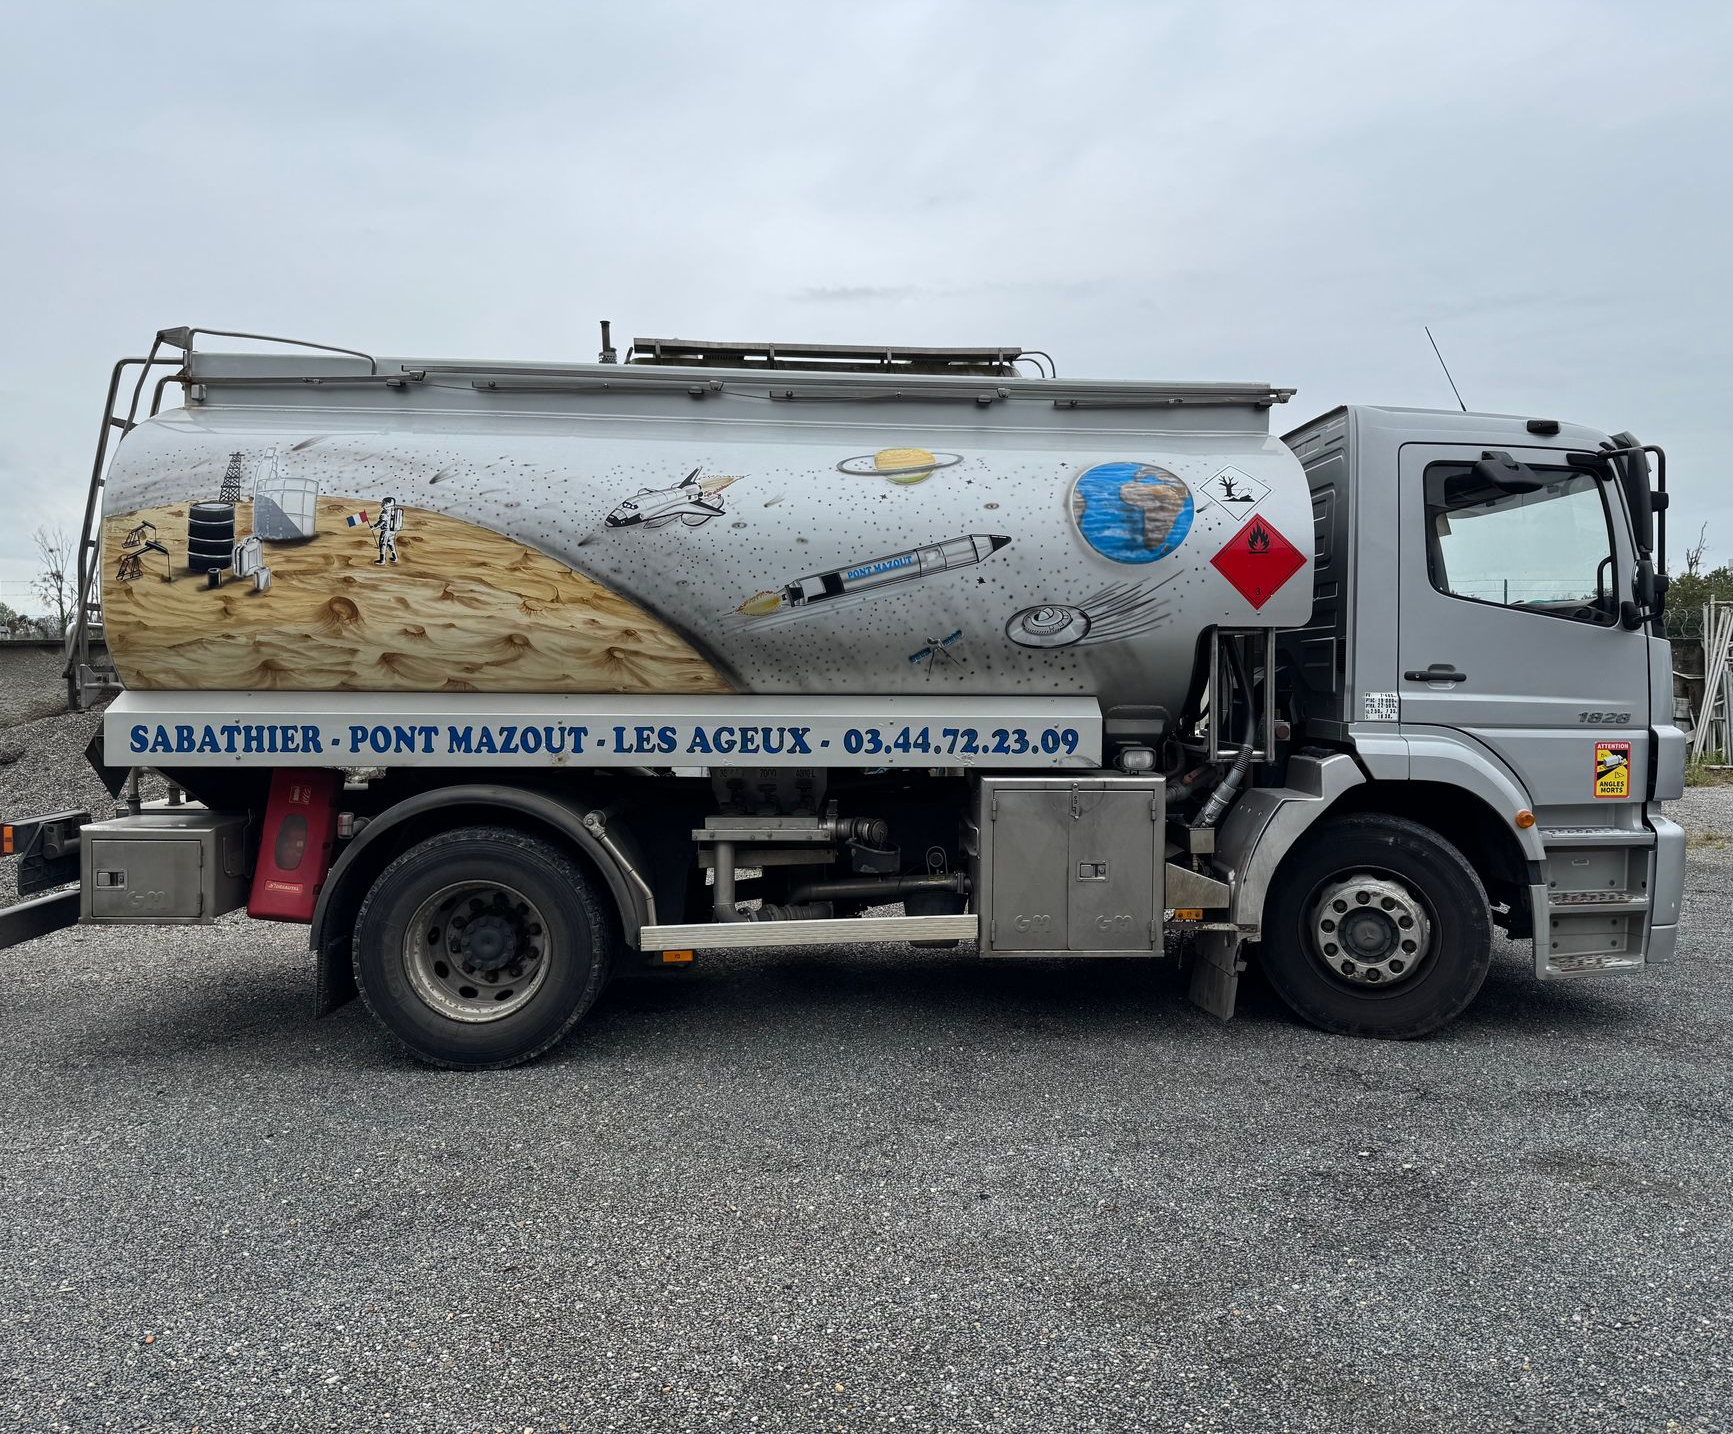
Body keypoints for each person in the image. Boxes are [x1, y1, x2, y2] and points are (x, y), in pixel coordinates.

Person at [371, 496, 403, 564]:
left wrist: (374, 527)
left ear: (386, 503)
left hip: (386, 531)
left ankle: (382, 560)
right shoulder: (393, 510)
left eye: (383, 502)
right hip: (393, 531)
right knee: (391, 543)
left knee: (383, 544)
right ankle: (395, 558)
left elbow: (381, 522)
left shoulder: (385, 512)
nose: (382, 504)